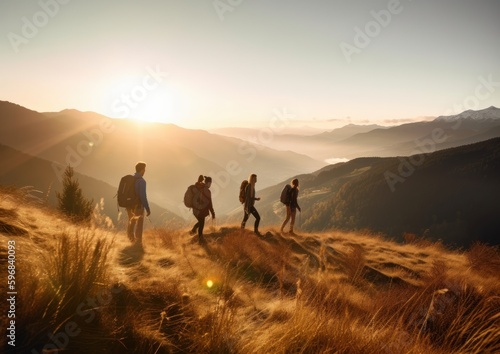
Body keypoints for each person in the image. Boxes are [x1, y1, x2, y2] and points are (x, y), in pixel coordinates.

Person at [126, 161, 151, 246]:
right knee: (139, 225)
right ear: (142, 170)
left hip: (129, 206)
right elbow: (143, 197)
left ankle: (129, 240)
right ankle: (138, 243)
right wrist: (147, 209)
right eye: (144, 169)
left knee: (131, 222)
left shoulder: (130, 179)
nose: (145, 171)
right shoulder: (142, 181)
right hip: (138, 206)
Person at [190, 175, 215, 244]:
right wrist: (212, 212)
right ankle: (200, 239)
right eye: (210, 183)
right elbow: (210, 203)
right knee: (201, 224)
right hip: (200, 210)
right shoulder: (207, 191)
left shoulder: (200, 188)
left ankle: (193, 231)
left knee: (200, 222)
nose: (210, 185)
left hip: (195, 209)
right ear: (208, 183)